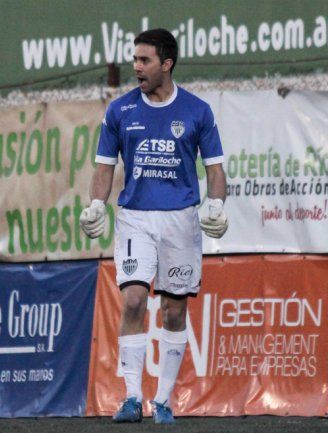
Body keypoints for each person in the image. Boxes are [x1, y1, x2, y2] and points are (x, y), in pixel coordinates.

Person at [80, 28, 228, 424]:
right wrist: (96, 204)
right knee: (132, 300)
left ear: (167, 64)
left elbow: (215, 170)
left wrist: (216, 203)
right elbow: (103, 167)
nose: (136, 68)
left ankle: (162, 401)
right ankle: (131, 397)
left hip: (181, 220)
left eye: (144, 61)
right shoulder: (120, 111)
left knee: (174, 311)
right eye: (134, 60)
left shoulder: (198, 111)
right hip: (135, 217)